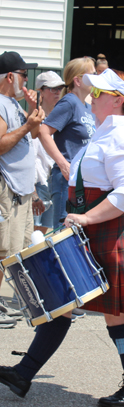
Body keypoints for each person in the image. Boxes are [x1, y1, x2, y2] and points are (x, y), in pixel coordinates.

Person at [0, 68, 124, 407]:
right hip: (90, 230)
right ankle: (23, 373)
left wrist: (85, 217)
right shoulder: (104, 132)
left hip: (110, 231)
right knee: (63, 302)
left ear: (116, 100)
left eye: (98, 94)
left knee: (120, 315)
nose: (90, 97)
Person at [0, 51, 43, 326]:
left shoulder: (14, 104)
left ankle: (8, 303)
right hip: (8, 190)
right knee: (2, 250)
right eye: (25, 75)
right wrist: (28, 124)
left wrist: (32, 116)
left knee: (18, 250)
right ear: (11, 77)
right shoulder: (1, 104)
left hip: (23, 190)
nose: (27, 80)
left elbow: (35, 134)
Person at [38, 57, 96, 228]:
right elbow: (44, 131)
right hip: (67, 180)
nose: (95, 79)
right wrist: (63, 164)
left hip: (80, 180)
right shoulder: (69, 102)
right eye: (91, 75)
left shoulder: (86, 105)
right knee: (64, 233)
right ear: (77, 81)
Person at [32, 71, 65, 233]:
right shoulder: (34, 118)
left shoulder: (63, 118)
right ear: (41, 91)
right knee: (32, 235)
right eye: (53, 88)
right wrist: (34, 192)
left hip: (55, 182)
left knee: (46, 232)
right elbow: (31, 158)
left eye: (60, 88)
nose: (58, 92)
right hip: (39, 185)